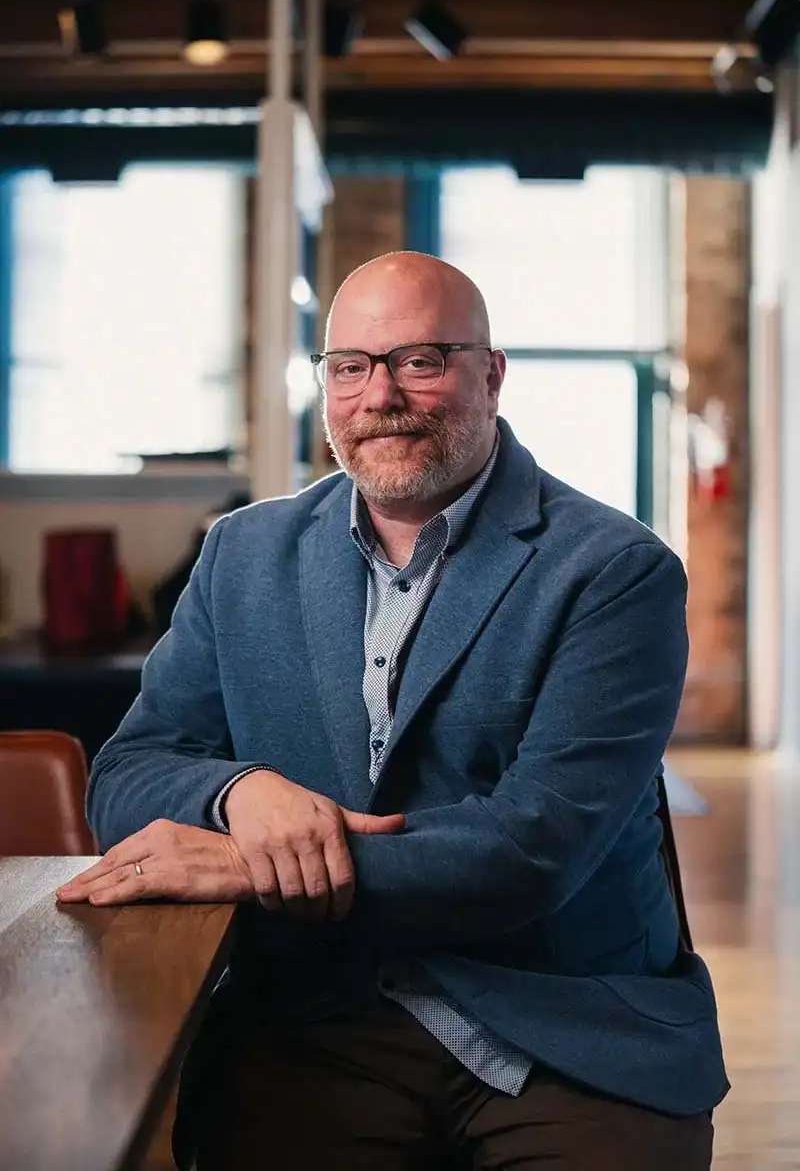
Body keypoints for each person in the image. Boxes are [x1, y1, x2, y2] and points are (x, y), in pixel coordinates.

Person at [59, 252, 729, 1170]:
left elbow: (534, 848)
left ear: (490, 375)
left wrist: (255, 868)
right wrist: (241, 794)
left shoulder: (615, 571)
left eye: (420, 359)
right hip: (317, 1020)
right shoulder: (241, 557)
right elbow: (128, 775)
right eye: (350, 366)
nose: (381, 395)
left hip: (563, 1029)